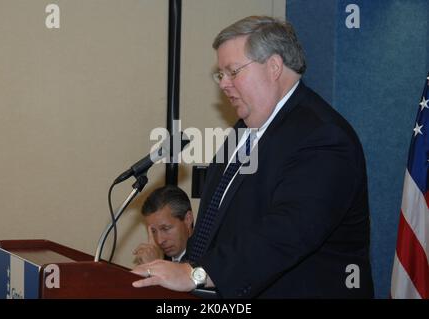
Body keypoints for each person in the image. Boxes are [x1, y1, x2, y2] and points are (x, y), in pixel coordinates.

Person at [132, 15, 374, 298]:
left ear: (273, 66)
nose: (223, 84)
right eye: (220, 74)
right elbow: (219, 222)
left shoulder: (322, 136)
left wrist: (196, 274)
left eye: (233, 72)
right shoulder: (243, 129)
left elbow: (286, 231)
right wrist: (186, 269)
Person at [133, 185, 194, 264]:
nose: (159, 241)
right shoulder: (168, 260)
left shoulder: (208, 258)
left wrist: (155, 266)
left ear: (188, 219)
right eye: (153, 231)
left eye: (165, 228)